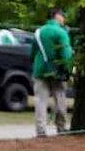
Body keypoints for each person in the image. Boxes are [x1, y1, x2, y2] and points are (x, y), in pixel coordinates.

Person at [31, 8, 74, 138]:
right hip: (57, 72)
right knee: (60, 99)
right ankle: (61, 127)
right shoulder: (61, 33)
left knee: (40, 101)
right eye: (63, 16)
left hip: (40, 70)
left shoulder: (38, 32)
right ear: (57, 16)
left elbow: (32, 53)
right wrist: (68, 71)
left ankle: (41, 130)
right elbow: (65, 54)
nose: (64, 19)